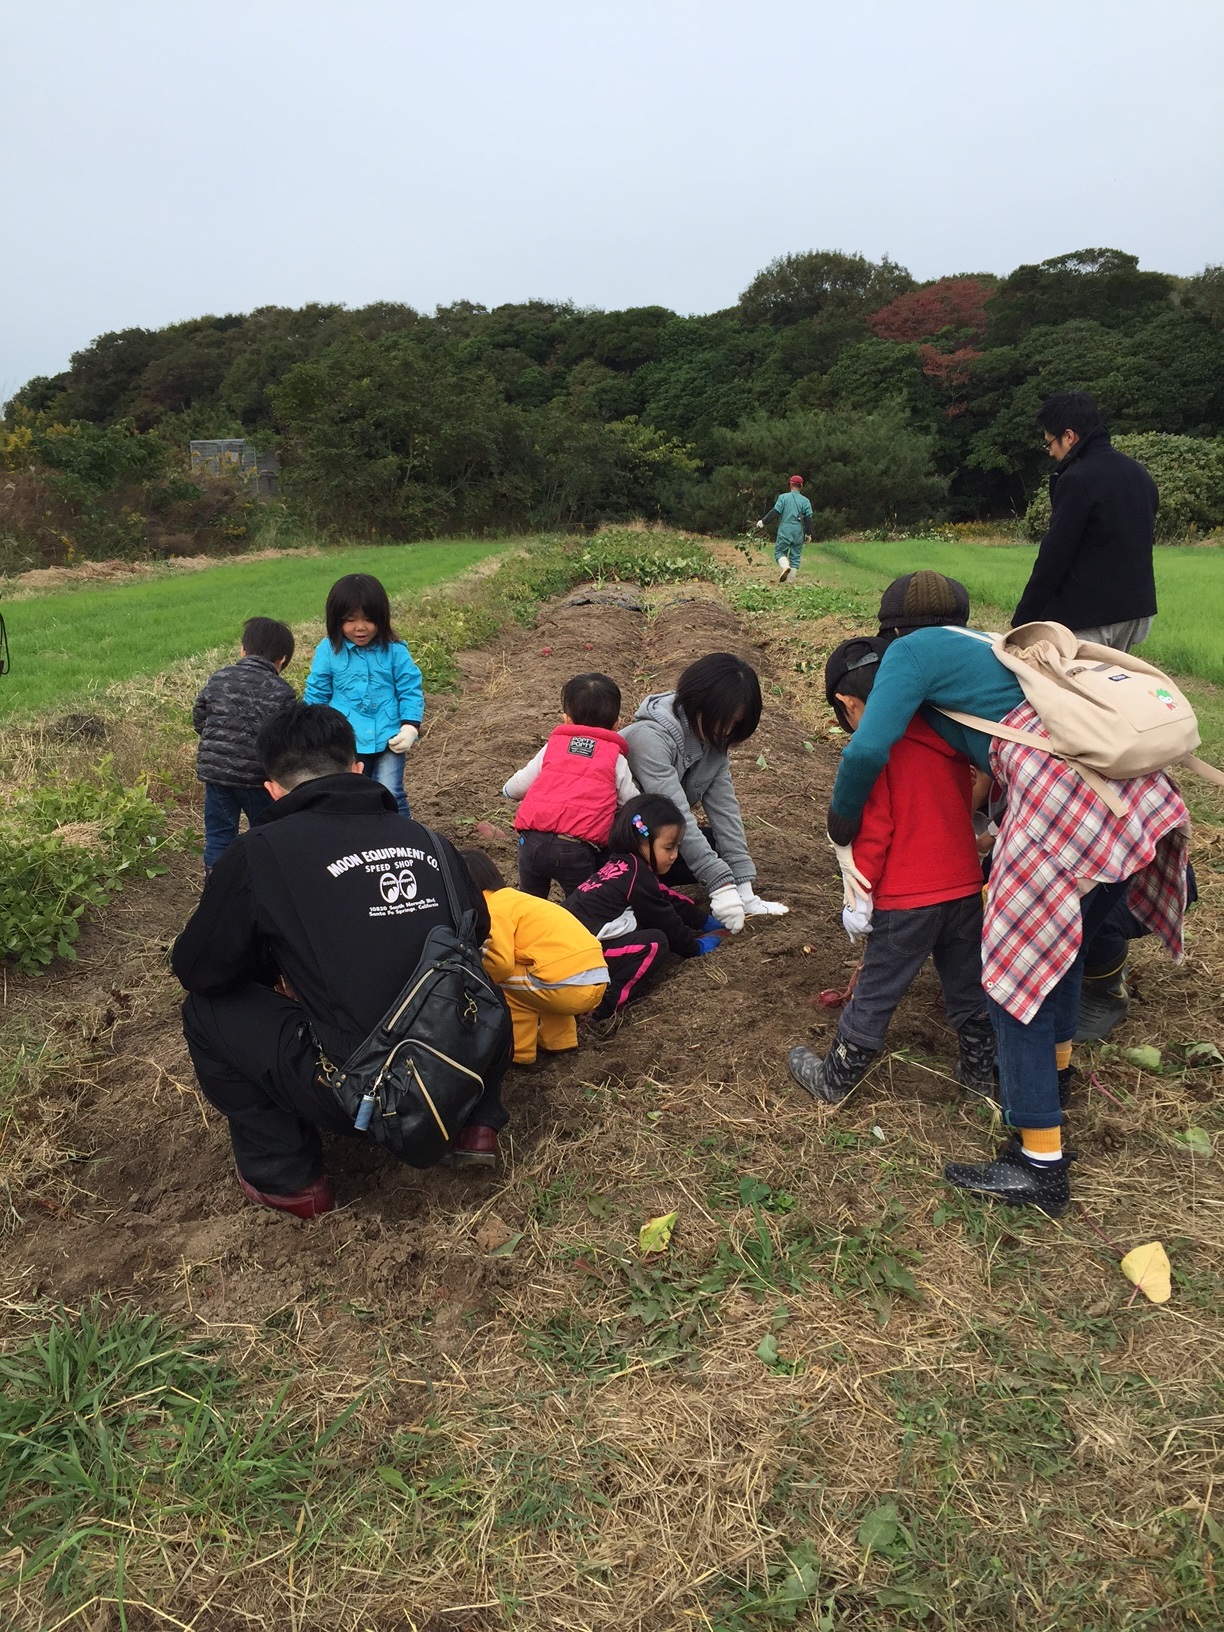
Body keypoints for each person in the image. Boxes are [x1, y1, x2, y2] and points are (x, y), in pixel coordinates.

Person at [822, 570, 1189, 1218]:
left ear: (891, 632)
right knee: (1062, 955)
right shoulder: (989, 643)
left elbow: (868, 748)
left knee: (1013, 982)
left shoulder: (914, 651)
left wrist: (843, 822)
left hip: (1062, 805)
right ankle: (1058, 1078)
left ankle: (1038, 1165)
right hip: (1127, 795)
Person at [172, 702, 510, 1218]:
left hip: (366, 1086)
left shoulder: (259, 852)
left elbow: (201, 968)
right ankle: (475, 1121)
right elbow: (477, 930)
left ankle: (289, 1178)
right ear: (357, 768)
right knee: (466, 967)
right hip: (467, 1054)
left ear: (272, 788)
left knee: (205, 1010)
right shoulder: (431, 842)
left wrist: (279, 970)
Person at [788, 637, 994, 1104]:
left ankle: (835, 1079)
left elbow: (875, 830)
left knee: (878, 989)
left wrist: (860, 896)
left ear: (847, 702)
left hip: (907, 900)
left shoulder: (875, 752)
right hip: (964, 889)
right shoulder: (944, 736)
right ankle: (980, 1076)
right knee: (967, 983)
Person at [621, 653, 787, 935]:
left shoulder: (713, 742)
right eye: (723, 720)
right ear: (697, 702)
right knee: (692, 856)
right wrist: (720, 883)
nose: (726, 731)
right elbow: (677, 813)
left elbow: (725, 811)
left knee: (715, 843)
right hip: (615, 843)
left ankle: (652, 885)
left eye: (736, 724)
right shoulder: (647, 738)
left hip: (654, 839)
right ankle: (628, 897)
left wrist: (743, 886)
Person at [1014, 391, 1158, 652]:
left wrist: (1022, 621)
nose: (1050, 453)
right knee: (1113, 684)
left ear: (1069, 436)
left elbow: (1054, 556)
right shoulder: (1138, 473)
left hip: (1092, 616)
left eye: (1050, 444)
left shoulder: (1077, 479)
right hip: (1138, 610)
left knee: (1074, 690)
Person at [564, 793, 723, 1026]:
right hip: (577, 959)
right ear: (642, 842)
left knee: (647, 928)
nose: (674, 855)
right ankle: (601, 1008)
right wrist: (695, 947)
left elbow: (665, 897)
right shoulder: (636, 874)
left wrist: (704, 921)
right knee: (655, 943)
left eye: (677, 846)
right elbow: (664, 917)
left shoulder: (623, 865)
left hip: (567, 946)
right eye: (668, 847)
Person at [459, 849, 608, 1065]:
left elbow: (500, 964)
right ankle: (560, 1041)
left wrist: (475, 976)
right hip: (595, 977)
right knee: (538, 975)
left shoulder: (491, 909)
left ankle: (520, 1053)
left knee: (503, 984)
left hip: (566, 987)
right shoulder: (516, 900)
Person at [502, 672, 638, 898]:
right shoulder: (615, 758)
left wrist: (508, 790)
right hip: (575, 849)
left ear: (566, 720)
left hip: (531, 842)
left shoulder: (553, 746)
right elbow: (630, 800)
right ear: (616, 724)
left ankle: (528, 930)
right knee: (582, 905)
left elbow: (521, 783)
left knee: (530, 900)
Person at [303, 573, 423, 818]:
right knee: (352, 795)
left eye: (369, 619)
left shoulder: (395, 651)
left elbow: (410, 688)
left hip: (389, 737)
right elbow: (317, 693)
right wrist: (313, 731)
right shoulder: (328, 651)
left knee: (391, 792)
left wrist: (410, 726)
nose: (360, 627)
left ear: (382, 618)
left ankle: (404, 837)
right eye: (350, 620)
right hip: (346, 739)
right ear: (336, 621)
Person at [192, 617, 296, 871]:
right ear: (282, 660)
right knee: (266, 834)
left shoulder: (219, 678)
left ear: (243, 650)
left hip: (217, 775)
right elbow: (287, 737)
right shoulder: (282, 691)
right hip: (258, 779)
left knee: (219, 836)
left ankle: (216, 891)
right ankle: (262, 885)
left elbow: (199, 717)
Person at [756, 475, 813, 584]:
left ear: (790, 484)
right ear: (801, 486)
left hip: (785, 529)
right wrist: (808, 534)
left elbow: (775, 512)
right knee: (795, 556)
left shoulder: (783, 498)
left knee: (779, 552)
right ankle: (790, 583)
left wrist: (763, 522)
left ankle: (785, 567)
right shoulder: (806, 501)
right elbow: (808, 519)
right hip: (798, 531)